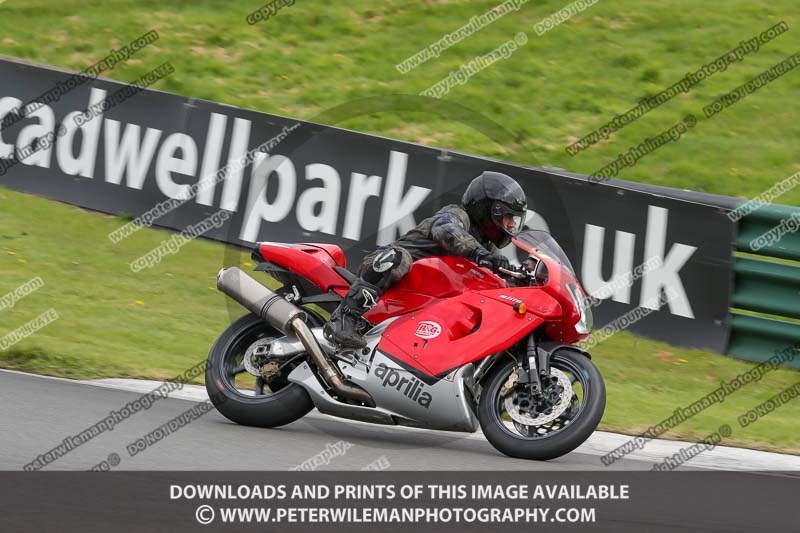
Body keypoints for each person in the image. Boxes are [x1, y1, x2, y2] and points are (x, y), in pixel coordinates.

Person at [323, 171, 528, 349]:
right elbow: (446, 230)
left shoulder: (487, 249)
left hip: (418, 302)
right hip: (384, 271)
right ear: (489, 209)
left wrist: (522, 283)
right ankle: (344, 318)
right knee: (398, 258)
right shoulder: (456, 216)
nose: (511, 225)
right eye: (508, 217)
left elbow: (500, 285)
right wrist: (481, 255)